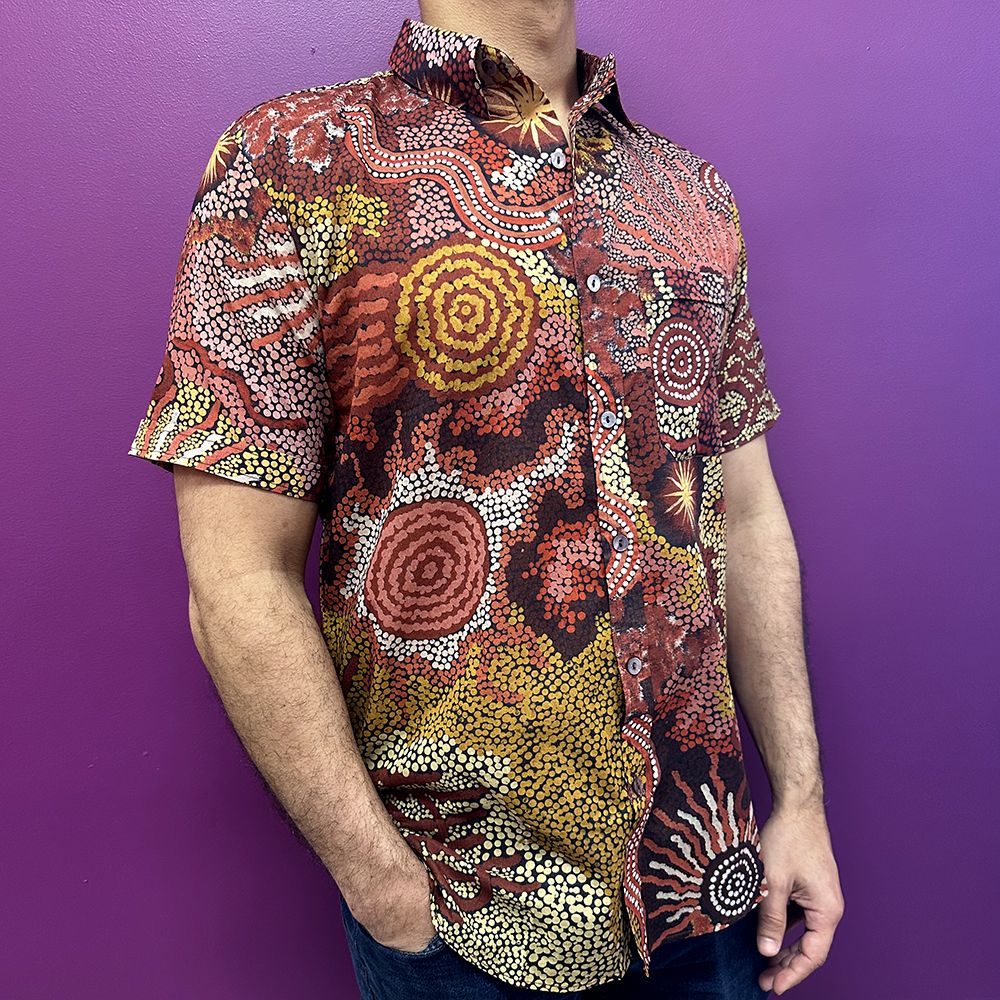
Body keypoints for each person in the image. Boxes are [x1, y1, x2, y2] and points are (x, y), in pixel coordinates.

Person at [126, 1, 844, 996]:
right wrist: (382, 885)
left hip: (708, 891)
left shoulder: (691, 195)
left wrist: (799, 798)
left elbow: (746, 514)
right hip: (463, 922)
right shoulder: (289, 163)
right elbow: (236, 577)